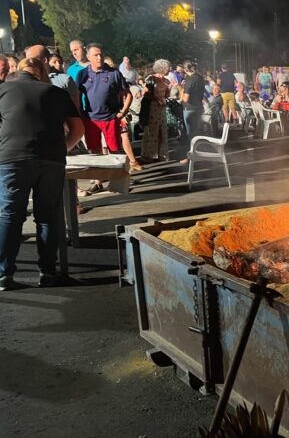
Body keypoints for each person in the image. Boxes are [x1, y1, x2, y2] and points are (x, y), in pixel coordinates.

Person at [0, 58, 84, 291]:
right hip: (51, 160)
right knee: (47, 217)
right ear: (40, 72)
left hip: (11, 159)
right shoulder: (56, 92)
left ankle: (4, 274)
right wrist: (62, 148)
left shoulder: (3, 90)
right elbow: (78, 129)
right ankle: (47, 273)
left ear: (18, 71)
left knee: (10, 216)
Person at [76, 43, 134, 189]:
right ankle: (98, 181)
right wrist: (80, 113)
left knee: (115, 150)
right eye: (95, 55)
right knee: (94, 151)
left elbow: (128, 94)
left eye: (101, 54)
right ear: (88, 57)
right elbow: (77, 95)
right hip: (91, 119)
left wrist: (123, 112)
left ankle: (118, 180)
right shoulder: (83, 74)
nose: (99, 57)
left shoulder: (114, 73)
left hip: (110, 117)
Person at [140, 59, 171, 163]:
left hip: (162, 108)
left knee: (162, 131)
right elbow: (145, 93)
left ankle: (161, 153)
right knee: (151, 130)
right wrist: (156, 99)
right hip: (152, 107)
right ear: (162, 68)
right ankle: (149, 154)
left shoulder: (167, 80)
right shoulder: (151, 78)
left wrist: (169, 88)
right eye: (168, 67)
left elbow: (166, 95)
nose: (169, 69)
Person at [180, 62, 205, 161]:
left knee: (191, 134)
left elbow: (185, 99)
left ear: (185, 70)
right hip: (199, 107)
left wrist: (181, 91)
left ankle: (191, 157)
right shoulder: (200, 77)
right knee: (197, 132)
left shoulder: (189, 80)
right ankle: (199, 154)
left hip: (189, 108)